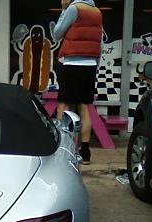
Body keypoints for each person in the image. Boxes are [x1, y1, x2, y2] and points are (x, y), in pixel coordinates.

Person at [53, 0, 103, 165]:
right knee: (84, 106)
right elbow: (100, 41)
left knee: (64, 104)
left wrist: (63, 9)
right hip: (90, 64)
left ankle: (62, 146)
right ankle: (86, 152)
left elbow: (56, 33)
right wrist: (96, 63)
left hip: (72, 63)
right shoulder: (96, 11)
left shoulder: (74, 8)